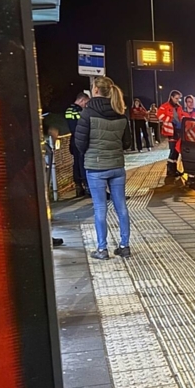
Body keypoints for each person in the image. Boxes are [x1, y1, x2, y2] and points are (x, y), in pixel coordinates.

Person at [74, 76, 132, 260]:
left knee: (100, 208)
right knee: (121, 206)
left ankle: (102, 249)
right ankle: (124, 246)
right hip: (116, 166)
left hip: (95, 167)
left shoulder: (87, 114)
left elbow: (80, 144)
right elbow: (127, 143)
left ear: (96, 90)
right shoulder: (120, 113)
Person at [65, 92, 90, 197]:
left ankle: (78, 186)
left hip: (73, 140)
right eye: (86, 102)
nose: (86, 105)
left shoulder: (68, 110)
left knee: (76, 163)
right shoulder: (79, 111)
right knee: (82, 163)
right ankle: (87, 186)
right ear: (82, 100)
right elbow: (83, 126)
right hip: (80, 140)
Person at [157, 90, 184, 179]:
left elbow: (181, 116)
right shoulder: (165, 106)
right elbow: (159, 116)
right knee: (173, 151)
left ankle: (174, 169)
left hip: (178, 131)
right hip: (171, 132)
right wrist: (170, 119)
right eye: (176, 98)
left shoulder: (179, 107)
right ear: (171, 97)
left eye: (179, 98)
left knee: (176, 151)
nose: (178, 100)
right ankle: (170, 170)